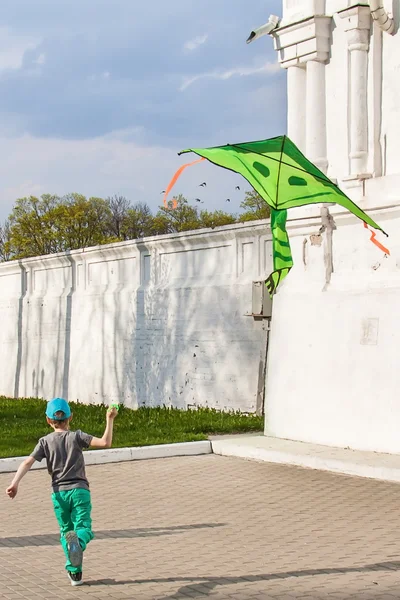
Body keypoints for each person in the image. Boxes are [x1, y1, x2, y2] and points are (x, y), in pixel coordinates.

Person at [5, 397, 118, 587]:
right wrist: (110, 418)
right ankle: (79, 544)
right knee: (83, 529)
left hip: (58, 494)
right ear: (70, 417)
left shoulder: (44, 442)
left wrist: (14, 483)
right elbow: (105, 442)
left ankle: (75, 573)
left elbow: (27, 462)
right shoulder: (77, 436)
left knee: (67, 532)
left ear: (48, 420)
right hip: (80, 491)